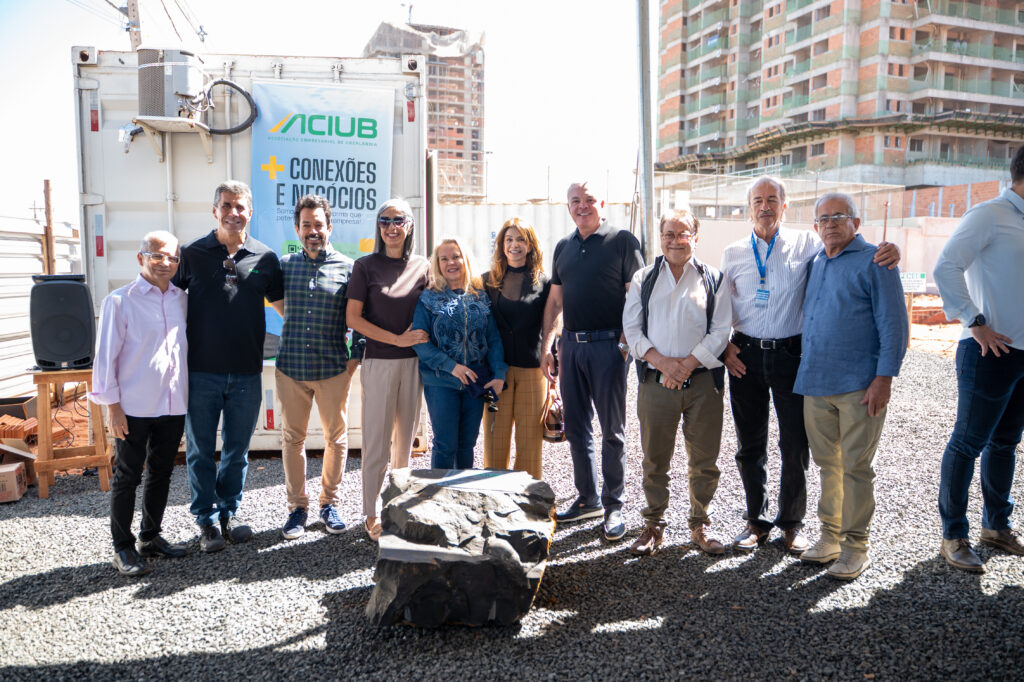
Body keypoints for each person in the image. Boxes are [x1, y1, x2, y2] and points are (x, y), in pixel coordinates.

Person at [720, 176, 899, 554]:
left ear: (785, 206)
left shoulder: (808, 244)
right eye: (758, 200)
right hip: (745, 356)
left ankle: (791, 523)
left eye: (772, 199)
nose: (765, 206)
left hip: (791, 355)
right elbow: (721, 307)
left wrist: (890, 250)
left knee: (795, 444)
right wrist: (723, 347)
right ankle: (756, 522)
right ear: (749, 208)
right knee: (749, 444)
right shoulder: (733, 253)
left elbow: (848, 247)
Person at [794, 192, 908, 580]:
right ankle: (830, 537)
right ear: (815, 227)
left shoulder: (877, 261)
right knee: (828, 465)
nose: (830, 224)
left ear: (856, 223)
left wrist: (884, 379)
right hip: (815, 383)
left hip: (860, 386)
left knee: (856, 467)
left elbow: (894, 325)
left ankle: (856, 547)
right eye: (823, 219)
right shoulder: (815, 262)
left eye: (839, 216)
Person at [174, 180, 284, 553]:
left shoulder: (265, 258)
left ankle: (229, 514)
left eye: (240, 207)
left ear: (250, 212)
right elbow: (167, 303)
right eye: (226, 205)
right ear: (215, 210)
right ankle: (206, 521)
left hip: (247, 373)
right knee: (200, 451)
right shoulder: (191, 254)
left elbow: (285, 307)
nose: (233, 213)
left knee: (237, 451)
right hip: (201, 372)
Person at [933, 146, 1024, 572]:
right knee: (967, 443)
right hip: (989, 351)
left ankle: (996, 526)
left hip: (1023, 354)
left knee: (1006, 442)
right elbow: (946, 267)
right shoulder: (989, 215)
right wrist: (975, 321)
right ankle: (953, 535)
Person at [622, 210, 731, 556]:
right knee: (655, 459)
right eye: (669, 234)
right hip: (656, 382)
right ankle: (653, 525)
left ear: (695, 238)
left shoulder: (714, 278)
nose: (675, 241)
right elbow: (632, 330)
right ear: (661, 238)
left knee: (705, 459)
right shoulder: (644, 278)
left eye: (683, 234)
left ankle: (700, 525)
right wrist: (665, 364)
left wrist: (685, 366)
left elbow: (721, 331)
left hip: (702, 384)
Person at [541, 181, 644, 541]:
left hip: (608, 347)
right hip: (571, 346)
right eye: (575, 201)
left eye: (588, 200)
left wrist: (625, 342)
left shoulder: (622, 241)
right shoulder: (564, 247)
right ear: (568, 206)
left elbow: (636, 296)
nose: (582, 206)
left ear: (602, 203)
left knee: (612, 430)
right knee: (576, 428)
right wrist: (548, 346)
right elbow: (555, 302)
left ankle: (614, 504)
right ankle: (588, 499)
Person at [91, 230, 188, 576]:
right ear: (140, 258)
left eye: (172, 257)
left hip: (172, 404)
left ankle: (150, 537)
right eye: (157, 255)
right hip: (132, 407)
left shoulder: (181, 300)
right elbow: (105, 359)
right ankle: (122, 547)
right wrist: (112, 407)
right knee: (127, 476)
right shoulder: (119, 301)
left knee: (161, 472)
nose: (165, 263)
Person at [346, 198, 430, 541]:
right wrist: (397, 339)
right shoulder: (365, 266)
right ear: (378, 226)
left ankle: (398, 509)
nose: (391, 227)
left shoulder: (423, 266)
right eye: (384, 221)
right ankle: (371, 514)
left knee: (404, 445)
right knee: (376, 444)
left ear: (409, 226)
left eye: (398, 220)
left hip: (413, 365)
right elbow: (353, 319)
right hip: (379, 362)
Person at [276, 195, 357, 540]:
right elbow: (279, 304)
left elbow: (360, 318)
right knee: (292, 439)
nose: (313, 231)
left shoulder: (349, 268)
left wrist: (353, 360)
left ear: (330, 227)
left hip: (333, 368)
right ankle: (297, 507)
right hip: (291, 367)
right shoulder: (284, 266)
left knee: (335, 438)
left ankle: (329, 503)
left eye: (318, 225)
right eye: (306, 225)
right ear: (297, 229)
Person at [413, 238, 507, 469]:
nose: (451, 263)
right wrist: (452, 367)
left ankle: (462, 488)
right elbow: (420, 342)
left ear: (465, 260)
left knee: (467, 444)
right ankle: (439, 490)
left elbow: (493, 339)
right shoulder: (428, 298)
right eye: (444, 259)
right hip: (441, 381)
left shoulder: (480, 297)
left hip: (475, 381)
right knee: (445, 444)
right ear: (437, 264)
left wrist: (499, 373)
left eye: (456, 257)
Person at [481, 218, 551, 480]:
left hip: (532, 371)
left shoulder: (544, 283)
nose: (514, 245)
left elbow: (552, 323)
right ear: (501, 245)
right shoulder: (486, 281)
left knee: (530, 442)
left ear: (530, 245)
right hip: (496, 372)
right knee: (495, 441)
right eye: (509, 239)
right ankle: (494, 495)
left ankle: (529, 497)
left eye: (521, 239)